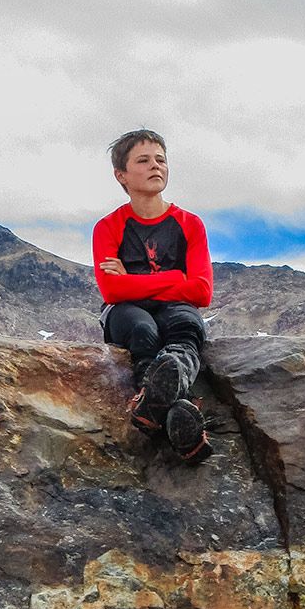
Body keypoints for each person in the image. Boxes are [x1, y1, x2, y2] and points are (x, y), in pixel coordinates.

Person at [92, 130, 214, 464]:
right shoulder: (108, 227)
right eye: (143, 161)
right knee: (143, 329)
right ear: (122, 175)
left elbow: (202, 291)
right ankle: (185, 422)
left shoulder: (190, 224)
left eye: (160, 159)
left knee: (186, 326)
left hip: (174, 309)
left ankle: (155, 407)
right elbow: (112, 291)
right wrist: (176, 277)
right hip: (124, 311)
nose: (155, 166)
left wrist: (132, 278)